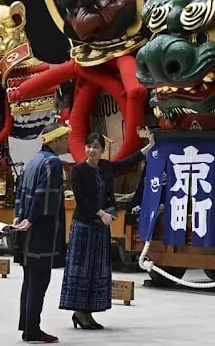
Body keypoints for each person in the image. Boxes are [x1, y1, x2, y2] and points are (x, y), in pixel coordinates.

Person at [59, 132, 155, 329]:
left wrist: (149, 147)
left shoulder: (105, 167)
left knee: (97, 270)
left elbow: (128, 162)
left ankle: (88, 313)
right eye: (88, 146)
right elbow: (81, 199)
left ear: (102, 150)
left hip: (101, 228)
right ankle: (78, 311)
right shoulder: (78, 171)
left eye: (96, 147)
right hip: (84, 225)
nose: (91, 150)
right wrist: (100, 213)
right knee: (82, 269)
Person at [13, 123, 70, 344]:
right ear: (54, 141)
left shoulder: (34, 160)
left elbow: (22, 192)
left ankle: (27, 327)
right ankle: (33, 329)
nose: (67, 142)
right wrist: (32, 219)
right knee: (39, 280)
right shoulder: (52, 163)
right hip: (42, 230)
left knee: (29, 280)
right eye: (64, 138)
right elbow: (44, 196)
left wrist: (20, 216)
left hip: (26, 228)